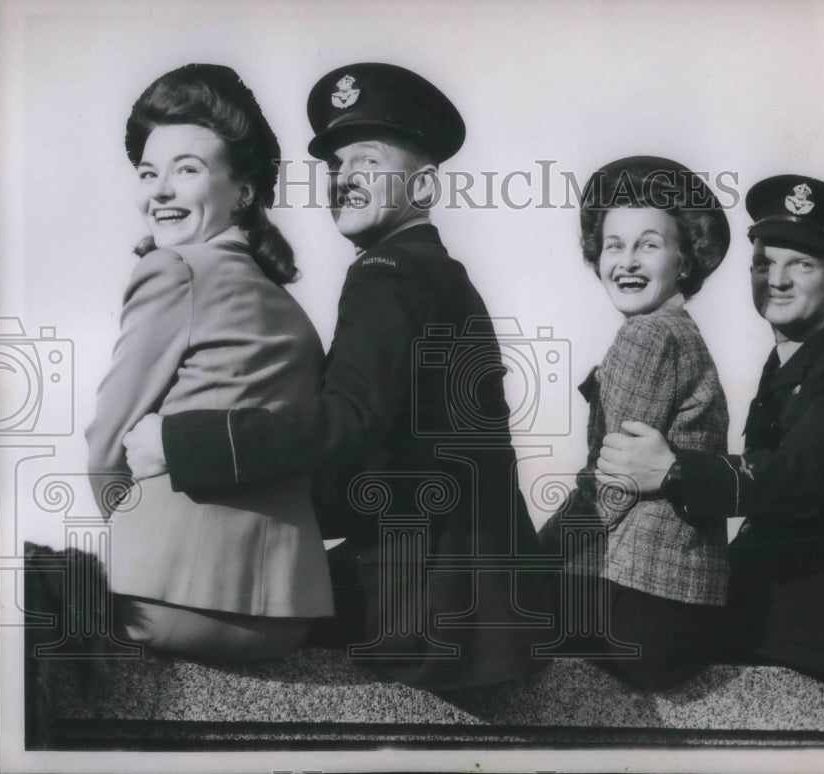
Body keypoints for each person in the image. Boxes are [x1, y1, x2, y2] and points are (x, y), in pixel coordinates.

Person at [122, 62, 553, 690]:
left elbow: (348, 422)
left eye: (368, 164)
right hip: (483, 602)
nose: (345, 180)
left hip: (428, 610)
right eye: (335, 167)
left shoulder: (386, 271)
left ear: (425, 189)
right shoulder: (439, 273)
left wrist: (177, 443)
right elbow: (394, 461)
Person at [596, 174, 824, 693]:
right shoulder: (788, 363)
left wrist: (670, 472)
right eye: (763, 263)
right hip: (789, 609)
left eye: (801, 264)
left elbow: (798, 478)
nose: (776, 280)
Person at [85, 64, 333, 658]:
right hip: (284, 616)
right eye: (149, 173)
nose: (160, 191)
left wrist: (134, 537)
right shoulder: (288, 307)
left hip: (166, 597)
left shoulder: (173, 270)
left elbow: (105, 448)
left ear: (243, 192)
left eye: (187, 170)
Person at [538, 157, 731, 687]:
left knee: (471, 608)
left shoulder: (646, 334)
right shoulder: (682, 331)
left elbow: (610, 487)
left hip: (637, 608)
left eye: (648, 244)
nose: (626, 261)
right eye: (614, 245)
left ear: (685, 261)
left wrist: (530, 562)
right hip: (685, 606)